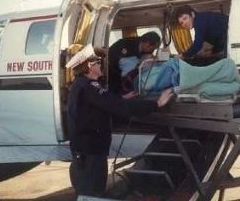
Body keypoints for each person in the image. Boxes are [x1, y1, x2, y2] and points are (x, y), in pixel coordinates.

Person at [65, 45, 173, 197]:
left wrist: (120, 98)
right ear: (89, 67)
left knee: (88, 193)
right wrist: (156, 104)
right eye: (97, 62)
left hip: (85, 152)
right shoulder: (90, 87)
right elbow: (121, 108)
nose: (100, 65)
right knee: (92, 194)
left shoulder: (81, 85)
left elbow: (102, 104)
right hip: (91, 155)